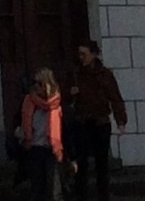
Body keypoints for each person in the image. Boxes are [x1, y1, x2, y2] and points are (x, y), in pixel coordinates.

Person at [65, 39, 128, 201]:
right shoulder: (75, 73)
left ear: (93, 55)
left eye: (84, 54)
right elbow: (64, 98)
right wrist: (70, 93)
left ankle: (103, 194)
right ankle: (81, 194)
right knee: (81, 162)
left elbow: (115, 98)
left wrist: (120, 121)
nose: (81, 57)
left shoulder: (105, 74)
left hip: (100, 122)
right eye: (79, 54)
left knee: (102, 163)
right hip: (82, 121)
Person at [13, 68, 66, 201]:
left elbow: (66, 130)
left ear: (49, 85)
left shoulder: (57, 104)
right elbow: (17, 121)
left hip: (51, 151)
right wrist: (19, 131)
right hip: (33, 149)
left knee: (55, 191)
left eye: (40, 84)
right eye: (35, 83)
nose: (36, 87)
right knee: (36, 190)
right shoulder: (28, 102)